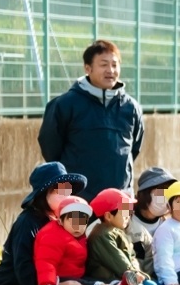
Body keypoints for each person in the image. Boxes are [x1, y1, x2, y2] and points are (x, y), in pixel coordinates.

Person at [36, 39, 144, 195]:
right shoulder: (65, 104)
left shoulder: (131, 107)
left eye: (114, 65)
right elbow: (50, 148)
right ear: (88, 68)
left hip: (121, 200)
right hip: (78, 199)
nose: (110, 70)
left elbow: (134, 149)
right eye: (103, 64)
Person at [87, 186, 180, 285]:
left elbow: (131, 257)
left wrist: (139, 274)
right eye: (124, 212)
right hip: (107, 280)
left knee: (149, 284)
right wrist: (135, 274)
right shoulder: (101, 235)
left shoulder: (116, 231)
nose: (128, 215)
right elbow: (118, 261)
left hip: (122, 277)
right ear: (108, 216)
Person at [33, 196, 98, 285]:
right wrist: (49, 283)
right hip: (59, 282)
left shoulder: (79, 237)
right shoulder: (53, 235)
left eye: (82, 221)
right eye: (72, 221)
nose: (77, 226)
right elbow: (46, 261)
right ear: (61, 220)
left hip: (74, 280)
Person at [127, 166, 175, 273]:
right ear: (145, 194)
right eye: (161, 193)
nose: (166, 199)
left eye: (170, 194)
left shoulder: (170, 224)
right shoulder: (125, 219)